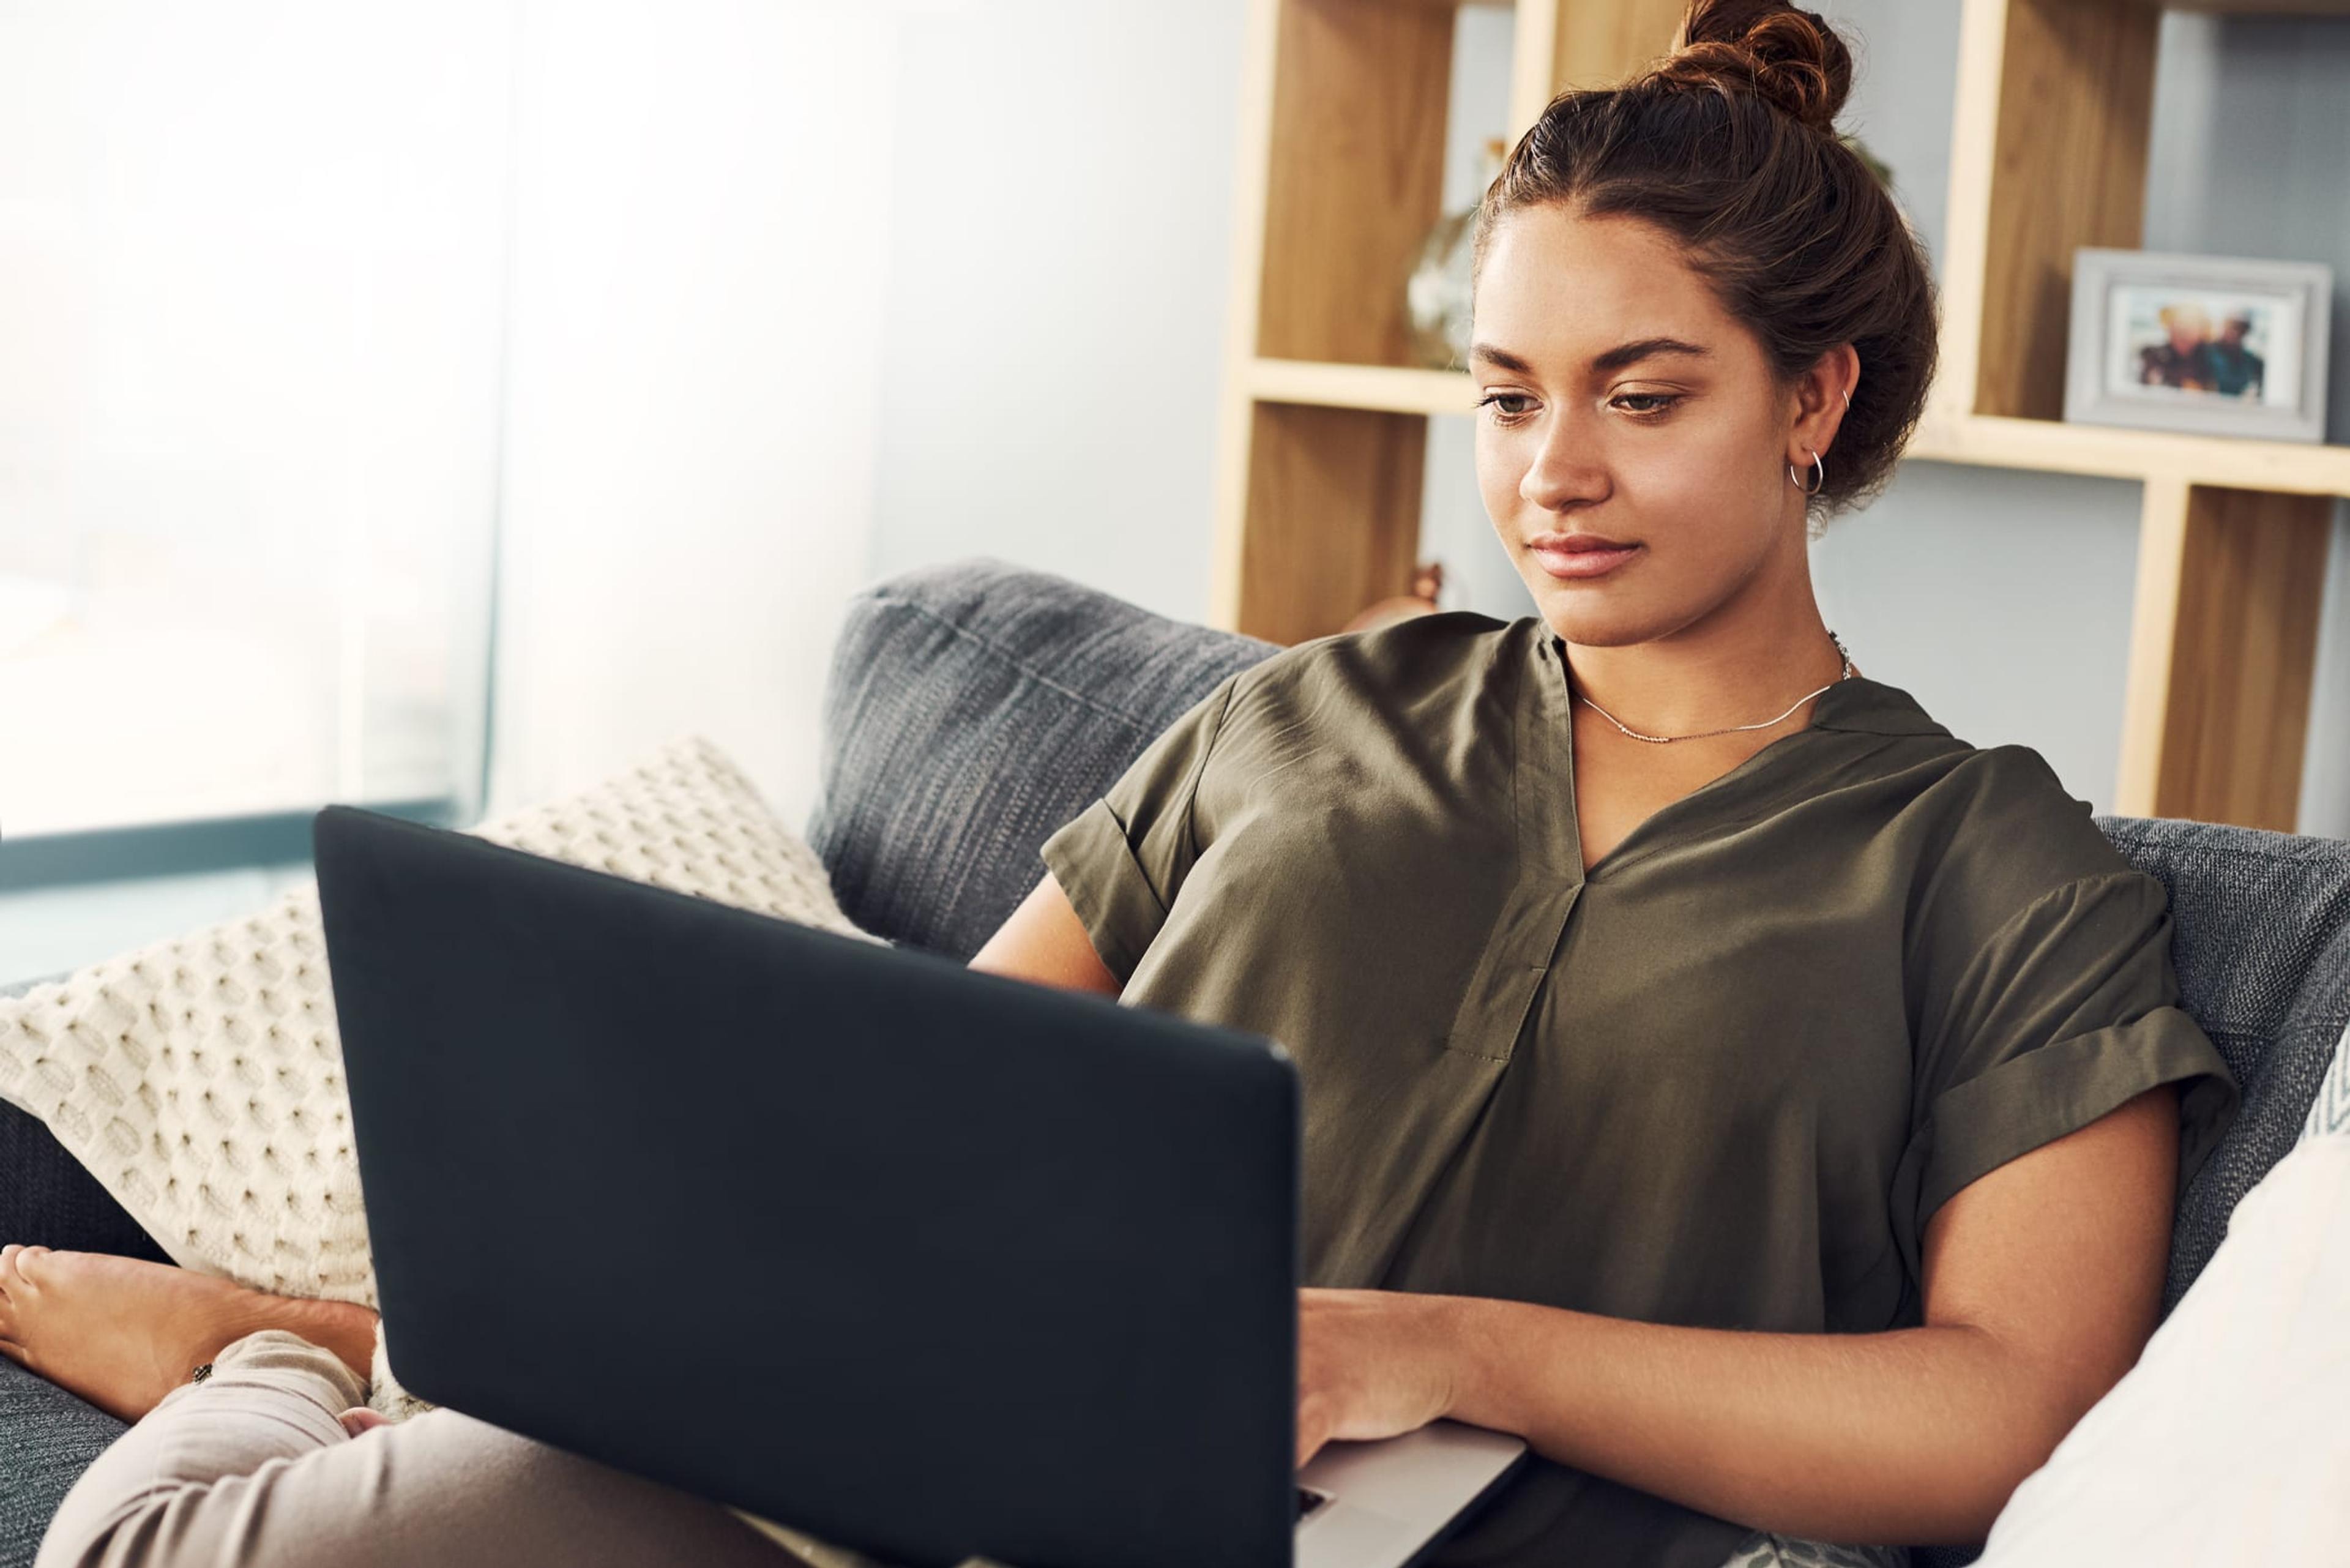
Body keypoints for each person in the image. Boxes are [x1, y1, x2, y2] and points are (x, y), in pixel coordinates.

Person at [2, 4, 2237, 1567]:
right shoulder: (1318, 707)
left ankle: (320, 1342)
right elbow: (937, 1102)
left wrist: (1433, 1347)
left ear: (1814, 399)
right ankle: (285, 1352)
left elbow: (2009, 1409)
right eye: (1505, 394)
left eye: (1641, 397)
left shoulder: (1996, 867)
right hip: (928, 1445)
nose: (1551, 476)